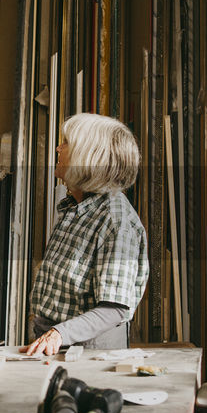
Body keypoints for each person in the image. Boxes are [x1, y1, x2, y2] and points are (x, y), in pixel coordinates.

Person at [24, 113, 149, 356]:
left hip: (89, 353)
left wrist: (58, 333)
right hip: (58, 346)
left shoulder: (116, 221)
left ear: (90, 157)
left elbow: (114, 310)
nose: (59, 148)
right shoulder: (77, 207)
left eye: (67, 143)